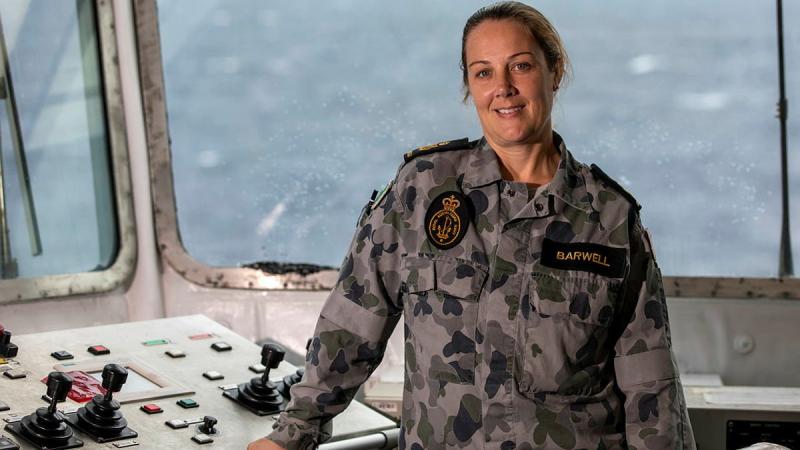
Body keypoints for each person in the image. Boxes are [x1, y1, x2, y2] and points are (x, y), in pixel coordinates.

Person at [249, 2, 695, 449]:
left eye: (520, 66)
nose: (503, 88)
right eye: (483, 72)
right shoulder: (422, 190)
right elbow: (352, 323)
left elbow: (649, 381)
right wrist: (294, 433)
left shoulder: (610, 217)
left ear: (554, 71)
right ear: (468, 85)